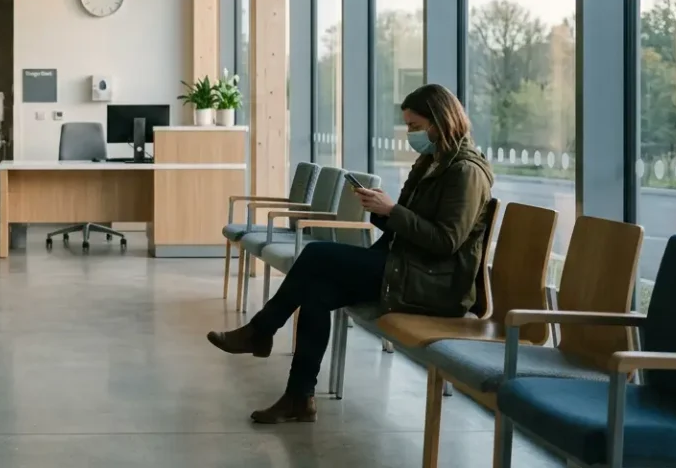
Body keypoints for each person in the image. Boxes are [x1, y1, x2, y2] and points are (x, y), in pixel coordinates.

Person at [206, 84, 493, 423]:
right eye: (408, 126)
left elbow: (446, 241)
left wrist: (393, 211)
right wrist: (382, 209)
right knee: (317, 294)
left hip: (434, 284)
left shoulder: (466, 172)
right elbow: (407, 225)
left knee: (317, 255)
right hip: (404, 265)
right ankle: (299, 397)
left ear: (440, 121)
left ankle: (260, 331)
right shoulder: (430, 162)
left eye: (416, 127)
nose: (410, 134)